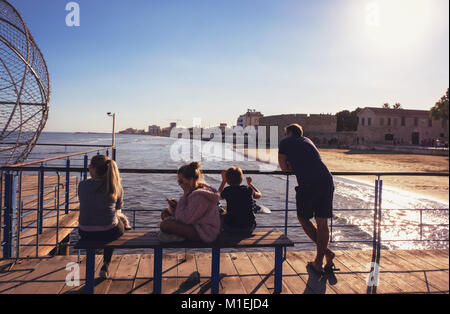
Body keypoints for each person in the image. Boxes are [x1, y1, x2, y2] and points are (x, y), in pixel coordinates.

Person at [278, 124, 336, 274]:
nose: (285, 136)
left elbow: (284, 168)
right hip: (326, 180)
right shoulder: (308, 141)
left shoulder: (285, 142)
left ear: (289, 133)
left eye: (285, 133)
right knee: (322, 223)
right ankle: (322, 258)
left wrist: (293, 166)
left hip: (309, 184)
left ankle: (324, 256)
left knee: (303, 218)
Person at [78, 155, 128, 279]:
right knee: (115, 225)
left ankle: (91, 268)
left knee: (105, 223)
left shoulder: (82, 185)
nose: (89, 169)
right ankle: (105, 264)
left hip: (85, 232)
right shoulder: (116, 186)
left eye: (90, 167)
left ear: (94, 169)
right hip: (108, 232)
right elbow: (118, 208)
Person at [159, 162, 221, 243]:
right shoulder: (194, 191)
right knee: (165, 212)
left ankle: (178, 236)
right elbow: (187, 213)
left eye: (181, 181)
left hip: (204, 232)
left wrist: (184, 196)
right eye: (178, 181)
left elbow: (185, 220)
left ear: (191, 180)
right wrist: (175, 207)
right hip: (194, 223)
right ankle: (177, 234)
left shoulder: (199, 197)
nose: (179, 184)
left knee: (164, 225)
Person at [218, 166, 262, 235]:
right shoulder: (248, 189)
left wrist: (223, 181)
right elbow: (259, 195)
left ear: (228, 180)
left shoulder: (227, 190)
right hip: (248, 227)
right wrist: (250, 184)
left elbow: (218, 196)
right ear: (241, 179)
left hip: (231, 228)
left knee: (221, 214)